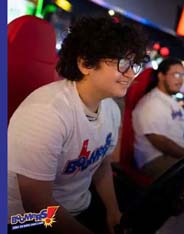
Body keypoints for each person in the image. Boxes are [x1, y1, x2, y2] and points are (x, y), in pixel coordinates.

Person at [8, 17, 147, 233]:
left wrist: (112, 211)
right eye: (122, 63)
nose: (130, 74)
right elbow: (36, 203)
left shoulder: (110, 109)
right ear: (85, 64)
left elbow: (101, 165)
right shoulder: (46, 112)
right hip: (24, 218)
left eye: (134, 64)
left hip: (78, 205)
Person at [132, 58, 184, 198]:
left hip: (175, 156)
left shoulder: (172, 102)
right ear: (161, 76)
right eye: (175, 74)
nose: (180, 80)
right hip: (155, 159)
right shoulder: (152, 103)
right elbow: (161, 142)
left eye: (182, 75)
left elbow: (180, 139)